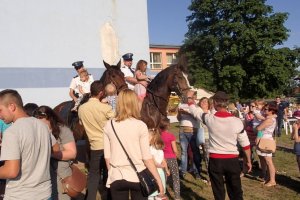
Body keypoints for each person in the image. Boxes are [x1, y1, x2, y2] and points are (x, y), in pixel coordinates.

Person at [103, 89, 166, 200]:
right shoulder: (140, 125)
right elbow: (147, 158)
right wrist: (158, 180)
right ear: (134, 103)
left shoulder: (109, 125)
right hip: (137, 175)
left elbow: (107, 156)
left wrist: (112, 173)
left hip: (116, 176)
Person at [189, 91, 252, 200]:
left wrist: (190, 98)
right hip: (232, 160)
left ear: (214, 103)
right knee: (236, 191)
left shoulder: (209, 119)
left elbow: (195, 111)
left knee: (218, 192)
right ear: (227, 103)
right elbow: (245, 145)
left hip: (215, 160)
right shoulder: (237, 121)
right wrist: (248, 161)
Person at [0, 89, 52, 200]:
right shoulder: (43, 126)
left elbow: (11, 171)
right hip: (45, 194)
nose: (0, 115)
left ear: (12, 106)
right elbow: (56, 148)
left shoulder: (12, 132)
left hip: (20, 195)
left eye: (0, 110)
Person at [78, 80, 115, 200]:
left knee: (94, 175)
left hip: (94, 146)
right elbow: (116, 122)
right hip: (108, 146)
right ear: (100, 93)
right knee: (111, 173)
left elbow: (81, 123)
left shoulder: (81, 108)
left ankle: (90, 198)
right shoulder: (105, 108)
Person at [34, 106, 77, 200]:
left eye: (41, 119)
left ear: (51, 118)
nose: (39, 124)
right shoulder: (35, 131)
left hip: (60, 176)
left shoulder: (63, 130)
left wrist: (48, 154)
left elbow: (72, 153)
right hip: (42, 179)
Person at [177, 90, 202, 179]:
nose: (188, 98)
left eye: (190, 97)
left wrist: (188, 113)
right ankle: (183, 171)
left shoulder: (197, 107)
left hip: (193, 131)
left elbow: (198, 119)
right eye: (187, 96)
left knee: (195, 152)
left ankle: (196, 171)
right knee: (183, 152)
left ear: (194, 97)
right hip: (182, 130)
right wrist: (180, 113)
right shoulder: (181, 105)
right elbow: (179, 119)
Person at [256, 102, 277, 187]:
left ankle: (272, 180)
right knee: (266, 160)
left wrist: (258, 132)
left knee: (269, 161)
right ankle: (269, 178)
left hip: (266, 140)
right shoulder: (270, 118)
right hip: (265, 139)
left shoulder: (269, 120)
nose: (264, 110)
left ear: (271, 110)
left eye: (266, 109)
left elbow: (259, 128)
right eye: (264, 108)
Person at [160, 120, 181, 200]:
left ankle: (162, 194)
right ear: (168, 126)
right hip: (171, 158)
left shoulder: (158, 136)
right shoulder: (171, 136)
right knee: (175, 177)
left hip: (162, 159)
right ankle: (177, 197)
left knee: (163, 177)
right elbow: (175, 149)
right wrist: (176, 154)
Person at [148, 129, 170, 200]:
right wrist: (166, 169)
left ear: (152, 138)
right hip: (161, 172)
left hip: (153, 172)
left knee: (151, 193)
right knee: (160, 192)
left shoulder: (149, 149)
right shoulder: (160, 149)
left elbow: (153, 162)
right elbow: (163, 160)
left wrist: (160, 166)